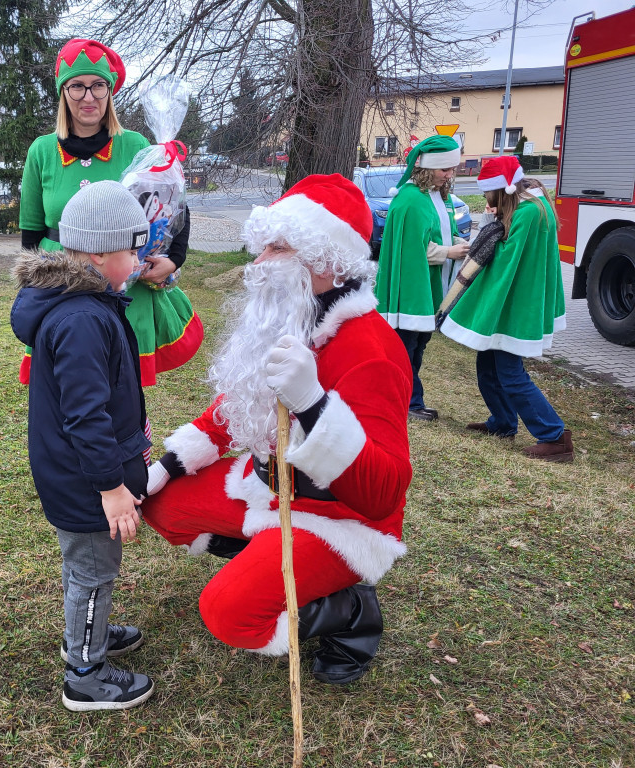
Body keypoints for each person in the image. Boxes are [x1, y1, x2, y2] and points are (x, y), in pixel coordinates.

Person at [142, 175, 413, 685]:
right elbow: (236, 404)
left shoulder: (370, 350)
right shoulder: (290, 314)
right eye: (262, 245)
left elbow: (382, 494)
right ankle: (272, 562)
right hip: (268, 489)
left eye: (278, 247)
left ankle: (350, 610)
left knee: (228, 614)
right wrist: (169, 464)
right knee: (161, 503)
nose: (259, 261)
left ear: (327, 262)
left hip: (337, 518)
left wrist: (313, 404)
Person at [10, 181, 155, 711]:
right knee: (94, 571)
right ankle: (85, 674)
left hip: (75, 474)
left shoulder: (87, 302)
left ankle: (87, 630)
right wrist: (112, 487)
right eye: (131, 250)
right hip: (86, 480)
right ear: (97, 253)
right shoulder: (81, 319)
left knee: (84, 566)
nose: (139, 260)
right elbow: (85, 417)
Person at [18, 38, 203, 387]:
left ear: (109, 91)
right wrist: (35, 293)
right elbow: (30, 234)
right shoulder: (41, 151)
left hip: (125, 285)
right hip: (63, 286)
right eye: (77, 86)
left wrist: (173, 260)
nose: (88, 97)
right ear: (63, 92)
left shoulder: (135, 145)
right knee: (69, 389)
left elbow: (175, 205)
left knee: (123, 391)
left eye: (98, 85)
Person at [440, 155, 573, 462]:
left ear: (502, 190)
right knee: (487, 364)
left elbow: (504, 260)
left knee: (510, 373)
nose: (488, 202)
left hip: (515, 305)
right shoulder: (529, 207)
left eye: (489, 196)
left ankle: (554, 436)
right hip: (512, 301)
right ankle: (502, 422)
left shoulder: (528, 212)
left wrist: (488, 228)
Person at [375, 135, 469, 421]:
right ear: (430, 168)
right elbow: (414, 250)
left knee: (417, 345)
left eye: (452, 169)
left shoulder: (432, 196)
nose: (450, 174)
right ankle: (407, 402)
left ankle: (409, 399)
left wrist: (454, 241)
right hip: (410, 290)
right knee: (407, 348)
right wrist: (449, 251)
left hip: (426, 287)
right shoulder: (411, 200)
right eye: (445, 169)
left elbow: (435, 232)